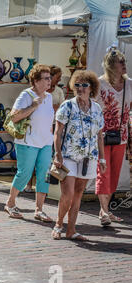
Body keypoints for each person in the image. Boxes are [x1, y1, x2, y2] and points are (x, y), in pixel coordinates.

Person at [52, 71, 106, 241]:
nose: (80, 88)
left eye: (84, 85)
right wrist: (57, 154)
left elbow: (99, 135)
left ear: (92, 88)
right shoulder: (67, 106)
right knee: (67, 194)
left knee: (78, 194)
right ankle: (58, 225)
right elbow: (57, 132)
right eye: (77, 85)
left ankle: (71, 230)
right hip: (68, 156)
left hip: (89, 158)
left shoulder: (96, 108)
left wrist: (102, 159)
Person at [4, 64, 54, 221]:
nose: (50, 81)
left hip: (46, 142)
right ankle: (10, 203)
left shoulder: (50, 97)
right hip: (27, 142)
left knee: (44, 176)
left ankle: (39, 210)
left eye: (50, 78)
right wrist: (33, 105)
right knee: (24, 174)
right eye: (46, 78)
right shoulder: (26, 95)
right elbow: (14, 117)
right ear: (36, 80)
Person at [95, 48, 132, 225]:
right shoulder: (99, 84)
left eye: (124, 62)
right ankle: (104, 211)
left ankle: (105, 210)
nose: (125, 65)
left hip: (121, 136)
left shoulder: (129, 84)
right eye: (121, 62)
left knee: (114, 175)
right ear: (111, 66)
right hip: (101, 135)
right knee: (103, 172)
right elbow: (92, 108)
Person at [24, 65, 65, 193]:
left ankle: (47, 188)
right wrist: (54, 107)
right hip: (37, 129)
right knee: (32, 160)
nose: (58, 80)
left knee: (47, 161)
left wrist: (54, 107)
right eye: (57, 78)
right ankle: (28, 184)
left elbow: (62, 107)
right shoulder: (36, 92)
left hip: (52, 127)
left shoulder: (58, 91)